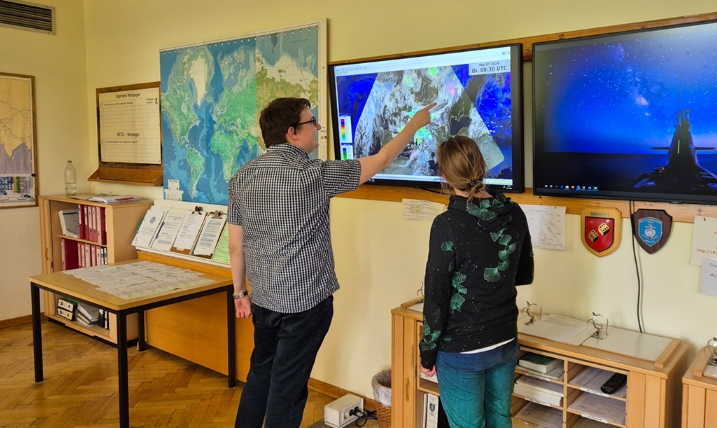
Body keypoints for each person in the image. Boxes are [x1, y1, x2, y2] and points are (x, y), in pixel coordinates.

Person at [228, 97, 435, 428]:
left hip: (263, 300)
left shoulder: (243, 176)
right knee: (287, 389)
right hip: (304, 305)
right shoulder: (314, 174)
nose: (319, 127)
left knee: (260, 377)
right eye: (313, 122)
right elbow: (381, 159)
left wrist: (240, 294)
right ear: (293, 132)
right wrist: (414, 123)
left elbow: (236, 246)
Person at [419, 136, 534, 428]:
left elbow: (436, 297)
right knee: (499, 420)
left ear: (444, 177)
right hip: (505, 338)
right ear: (482, 166)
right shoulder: (514, 211)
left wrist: (427, 354)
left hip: (462, 347)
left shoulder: (447, 224)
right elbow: (524, 274)